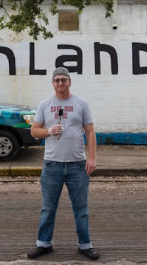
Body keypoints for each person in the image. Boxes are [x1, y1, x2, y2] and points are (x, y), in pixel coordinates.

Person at [27, 67, 99, 261]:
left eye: (63, 80)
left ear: (70, 82)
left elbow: (90, 131)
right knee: (48, 207)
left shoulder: (81, 104)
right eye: (57, 80)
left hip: (77, 165)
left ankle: (85, 245)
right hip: (52, 165)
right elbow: (34, 131)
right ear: (52, 83)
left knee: (81, 208)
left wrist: (92, 158)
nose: (60, 83)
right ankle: (44, 244)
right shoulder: (45, 104)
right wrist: (49, 131)